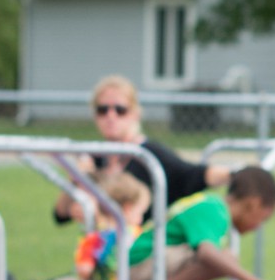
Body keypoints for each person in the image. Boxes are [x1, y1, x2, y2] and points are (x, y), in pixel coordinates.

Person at [52, 75, 232, 225]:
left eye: (120, 110)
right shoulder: (96, 156)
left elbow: (192, 174)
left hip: (146, 248)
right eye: (102, 109)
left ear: (135, 113)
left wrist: (234, 174)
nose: (111, 116)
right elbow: (60, 214)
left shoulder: (150, 155)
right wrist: (77, 178)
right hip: (106, 249)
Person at [117, 165, 275, 280]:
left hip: (166, 267)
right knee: (226, 258)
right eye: (263, 218)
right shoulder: (214, 208)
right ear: (254, 204)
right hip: (143, 263)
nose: (258, 226)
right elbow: (206, 254)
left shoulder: (218, 212)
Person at [11, 172, 150, 280]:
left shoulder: (102, 236)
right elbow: (86, 269)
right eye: (140, 213)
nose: (141, 219)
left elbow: (84, 270)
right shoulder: (127, 234)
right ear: (127, 208)